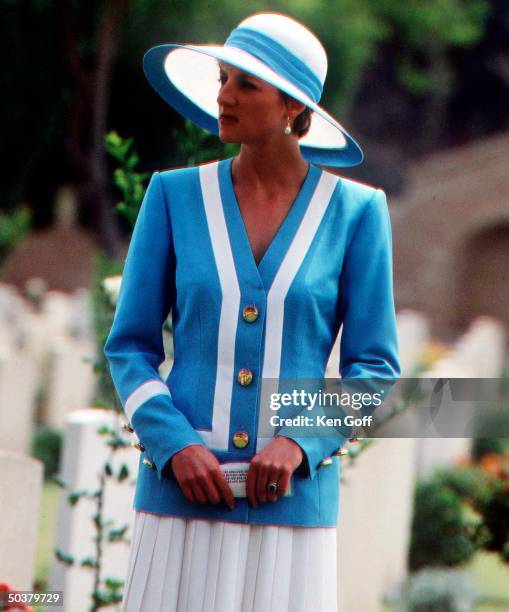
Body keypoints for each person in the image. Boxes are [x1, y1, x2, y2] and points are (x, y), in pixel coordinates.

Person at [104, 11, 400, 612]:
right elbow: (129, 347)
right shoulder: (172, 196)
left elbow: (375, 369)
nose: (223, 96)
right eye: (222, 78)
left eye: (245, 84)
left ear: (293, 106)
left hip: (291, 512)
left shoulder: (358, 214)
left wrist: (299, 442)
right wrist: (173, 444)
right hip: (178, 499)